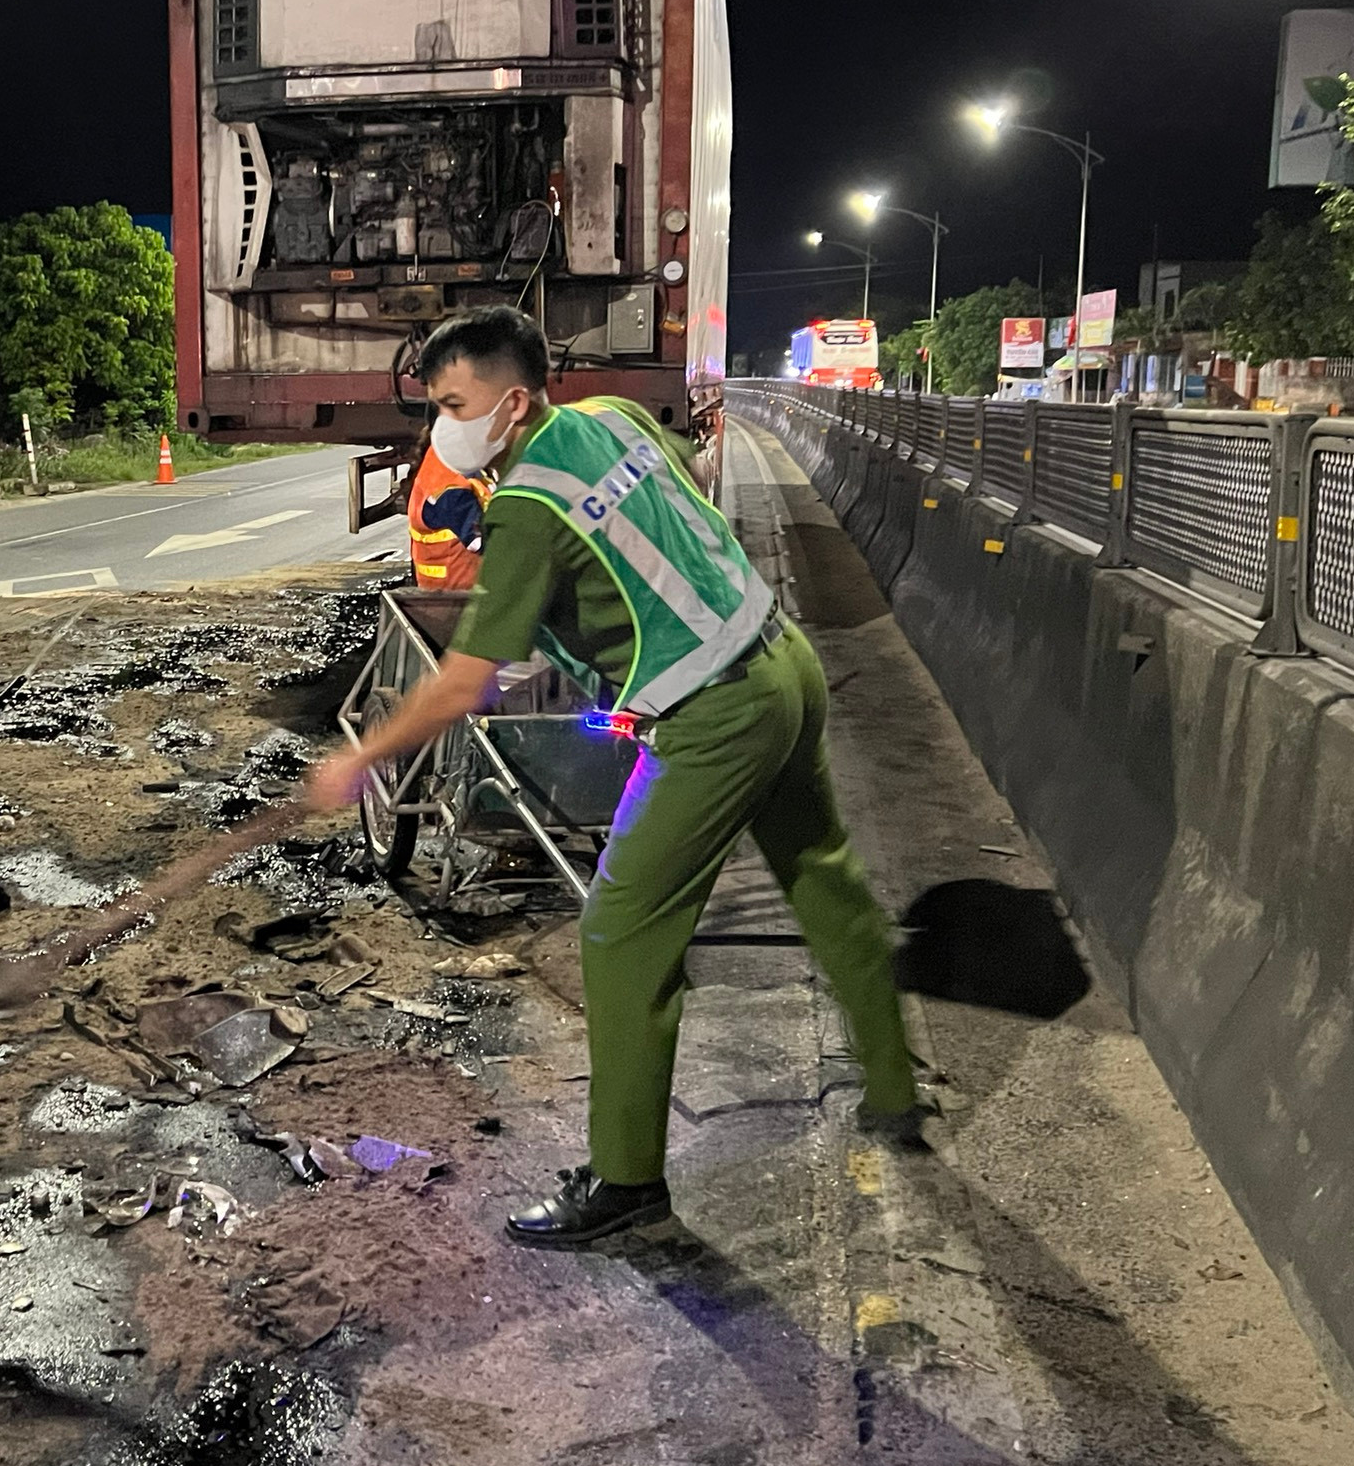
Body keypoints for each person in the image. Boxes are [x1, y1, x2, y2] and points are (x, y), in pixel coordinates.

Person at [306, 307, 923, 1248]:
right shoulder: (608, 420)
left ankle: (626, 1181)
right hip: (780, 660)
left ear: (512, 402)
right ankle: (891, 1086)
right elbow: (672, 498)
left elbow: (467, 681)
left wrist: (360, 755)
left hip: (710, 715)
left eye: (453, 405)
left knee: (621, 933)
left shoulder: (524, 511)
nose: (442, 427)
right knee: (821, 874)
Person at [406, 424, 492, 590]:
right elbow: (480, 542)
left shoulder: (436, 465)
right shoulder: (450, 491)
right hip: (459, 595)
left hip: (441, 591)